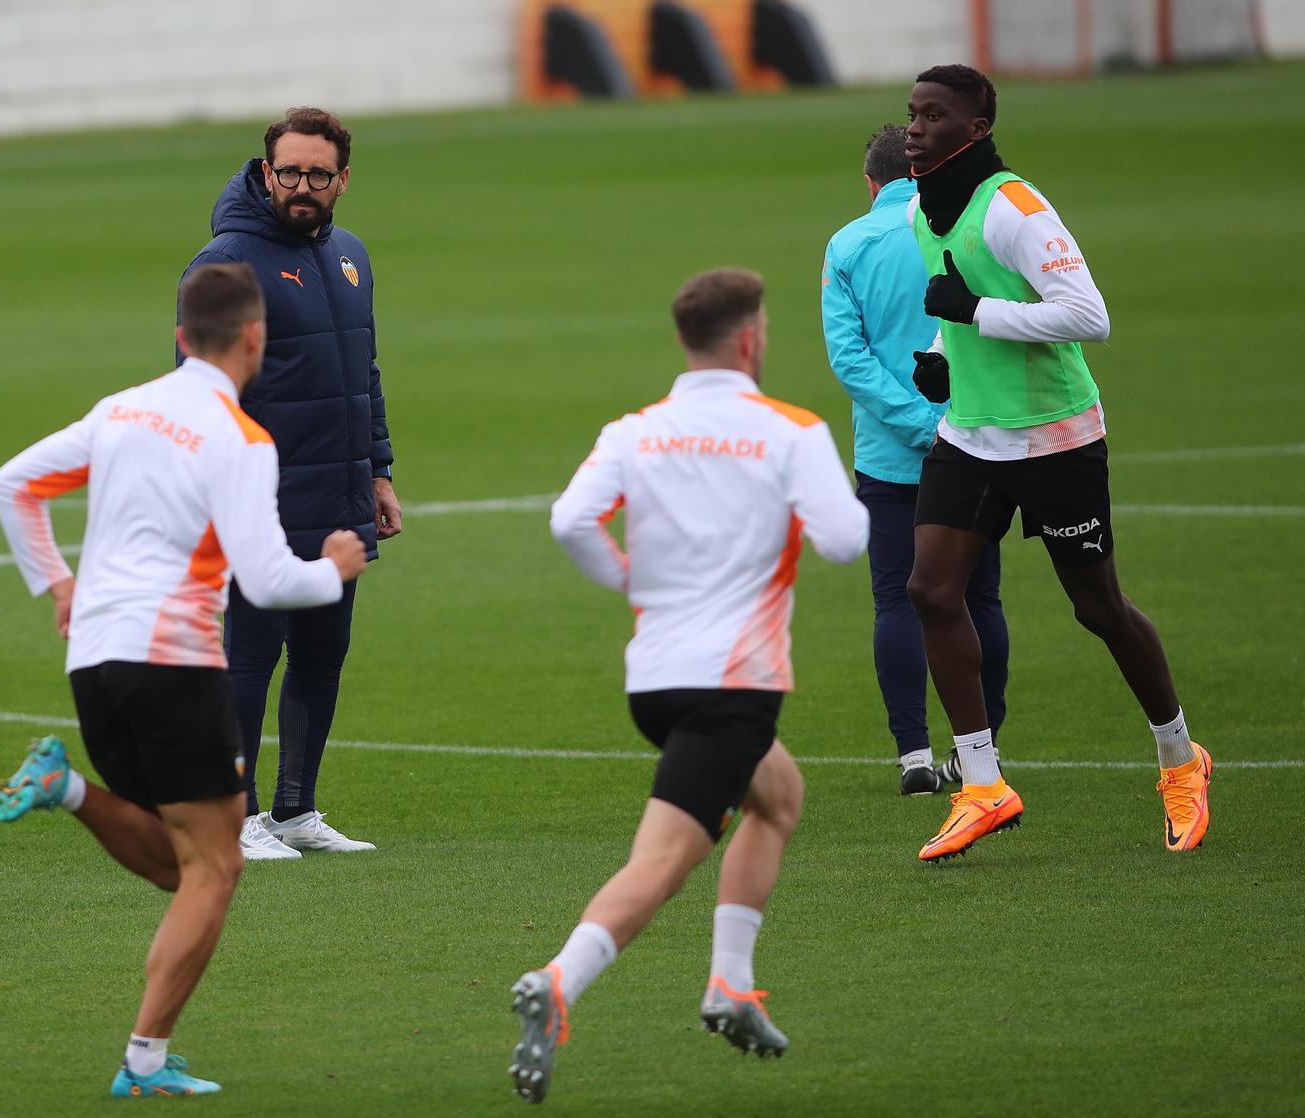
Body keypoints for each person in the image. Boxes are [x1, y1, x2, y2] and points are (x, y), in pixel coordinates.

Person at [0, 263, 367, 1097]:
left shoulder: (120, 410)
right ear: (257, 338)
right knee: (217, 869)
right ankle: (144, 1062)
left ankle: (69, 789)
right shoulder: (240, 438)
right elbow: (268, 582)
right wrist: (335, 567)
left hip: (94, 664)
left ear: (179, 337)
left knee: (186, 866)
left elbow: (10, 484)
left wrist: (59, 584)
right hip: (173, 666)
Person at [508, 269, 868, 1103]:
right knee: (666, 860)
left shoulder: (637, 430)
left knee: (778, 796)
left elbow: (569, 520)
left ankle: (730, 986)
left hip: (657, 678)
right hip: (732, 681)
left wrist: (629, 578)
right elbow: (846, 543)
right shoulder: (791, 431)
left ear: (685, 341)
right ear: (749, 340)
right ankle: (559, 980)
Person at [900, 64, 1210, 861]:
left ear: (975, 128)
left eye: (934, 116)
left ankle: (1181, 760)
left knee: (1098, 608)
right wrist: (942, 351)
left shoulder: (1014, 207)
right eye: (911, 113)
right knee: (931, 591)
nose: (915, 126)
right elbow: (956, 297)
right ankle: (983, 785)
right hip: (970, 433)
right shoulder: (921, 208)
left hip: (1054, 436)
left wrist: (974, 314)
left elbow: (1086, 315)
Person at [181, 106, 396, 860]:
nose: (303, 186)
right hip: (260, 500)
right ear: (267, 171)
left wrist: (378, 470)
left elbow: (360, 374)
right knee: (250, 655)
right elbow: (198, 392)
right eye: (290, 171)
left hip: (336, 492)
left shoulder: (351, 256)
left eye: (319, 173)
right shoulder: (227, 262)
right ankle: (234, 819)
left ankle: (294, 811)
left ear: (343, 179)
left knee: (321, 653)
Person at [821, 123, 1009, 796]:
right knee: (978, 595)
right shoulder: (966, 229)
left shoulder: (848, 245)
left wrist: (910, 423)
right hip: (975, 437)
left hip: (889, 456)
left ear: (870, 183)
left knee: (897, 601)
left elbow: (850, 359)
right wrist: (943, 422)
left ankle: (913, 758)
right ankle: (980, 752)